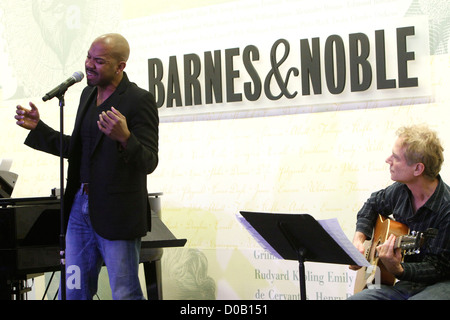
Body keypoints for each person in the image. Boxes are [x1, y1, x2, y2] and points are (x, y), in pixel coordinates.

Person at [14, 33, 159, 300]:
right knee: (74, 289)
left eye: (99, 61)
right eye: (88, 57)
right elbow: (78, 150)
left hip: (117, 213)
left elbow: (149, 161)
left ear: (120, 66)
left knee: (125, 292)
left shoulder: (139, 100)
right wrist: (39, 129)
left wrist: (125, 138)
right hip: (79, 209)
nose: (89, 65)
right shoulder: (87, 94)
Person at [348, 124, 450, 300]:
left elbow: (438, 267)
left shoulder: (446, 208)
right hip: (405, 284)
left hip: (441, 284)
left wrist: (398, 269)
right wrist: (359, 241)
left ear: (418, 169)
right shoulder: (401, 190)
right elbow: (372, 204)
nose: (388, 160)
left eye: (395, 157)